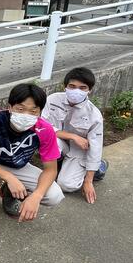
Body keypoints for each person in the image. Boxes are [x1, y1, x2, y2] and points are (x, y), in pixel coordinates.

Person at [0, 83, 64, 225]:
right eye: (20, 109)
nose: (26, 115)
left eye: (33, 111)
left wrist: (36, 196)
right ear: (10, 107)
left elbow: (51, 170)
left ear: (40, 111)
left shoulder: (45, 130)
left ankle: (9, 195)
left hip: (18, 165)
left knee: (54, 195)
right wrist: (9, 178)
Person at [41, 67, 108, 204]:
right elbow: (42, 127)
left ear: (90, 90)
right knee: (48, 140)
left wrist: (88, 181)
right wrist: (73, 136)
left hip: (79, 151)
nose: (76, 91)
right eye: (72, 86)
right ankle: (58, 168)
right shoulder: (52, 100)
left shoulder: (94, 115)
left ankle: (99, 168)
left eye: (82, 88)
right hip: (60, 142)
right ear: (65, 86)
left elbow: (95, 147)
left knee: (66, 185)